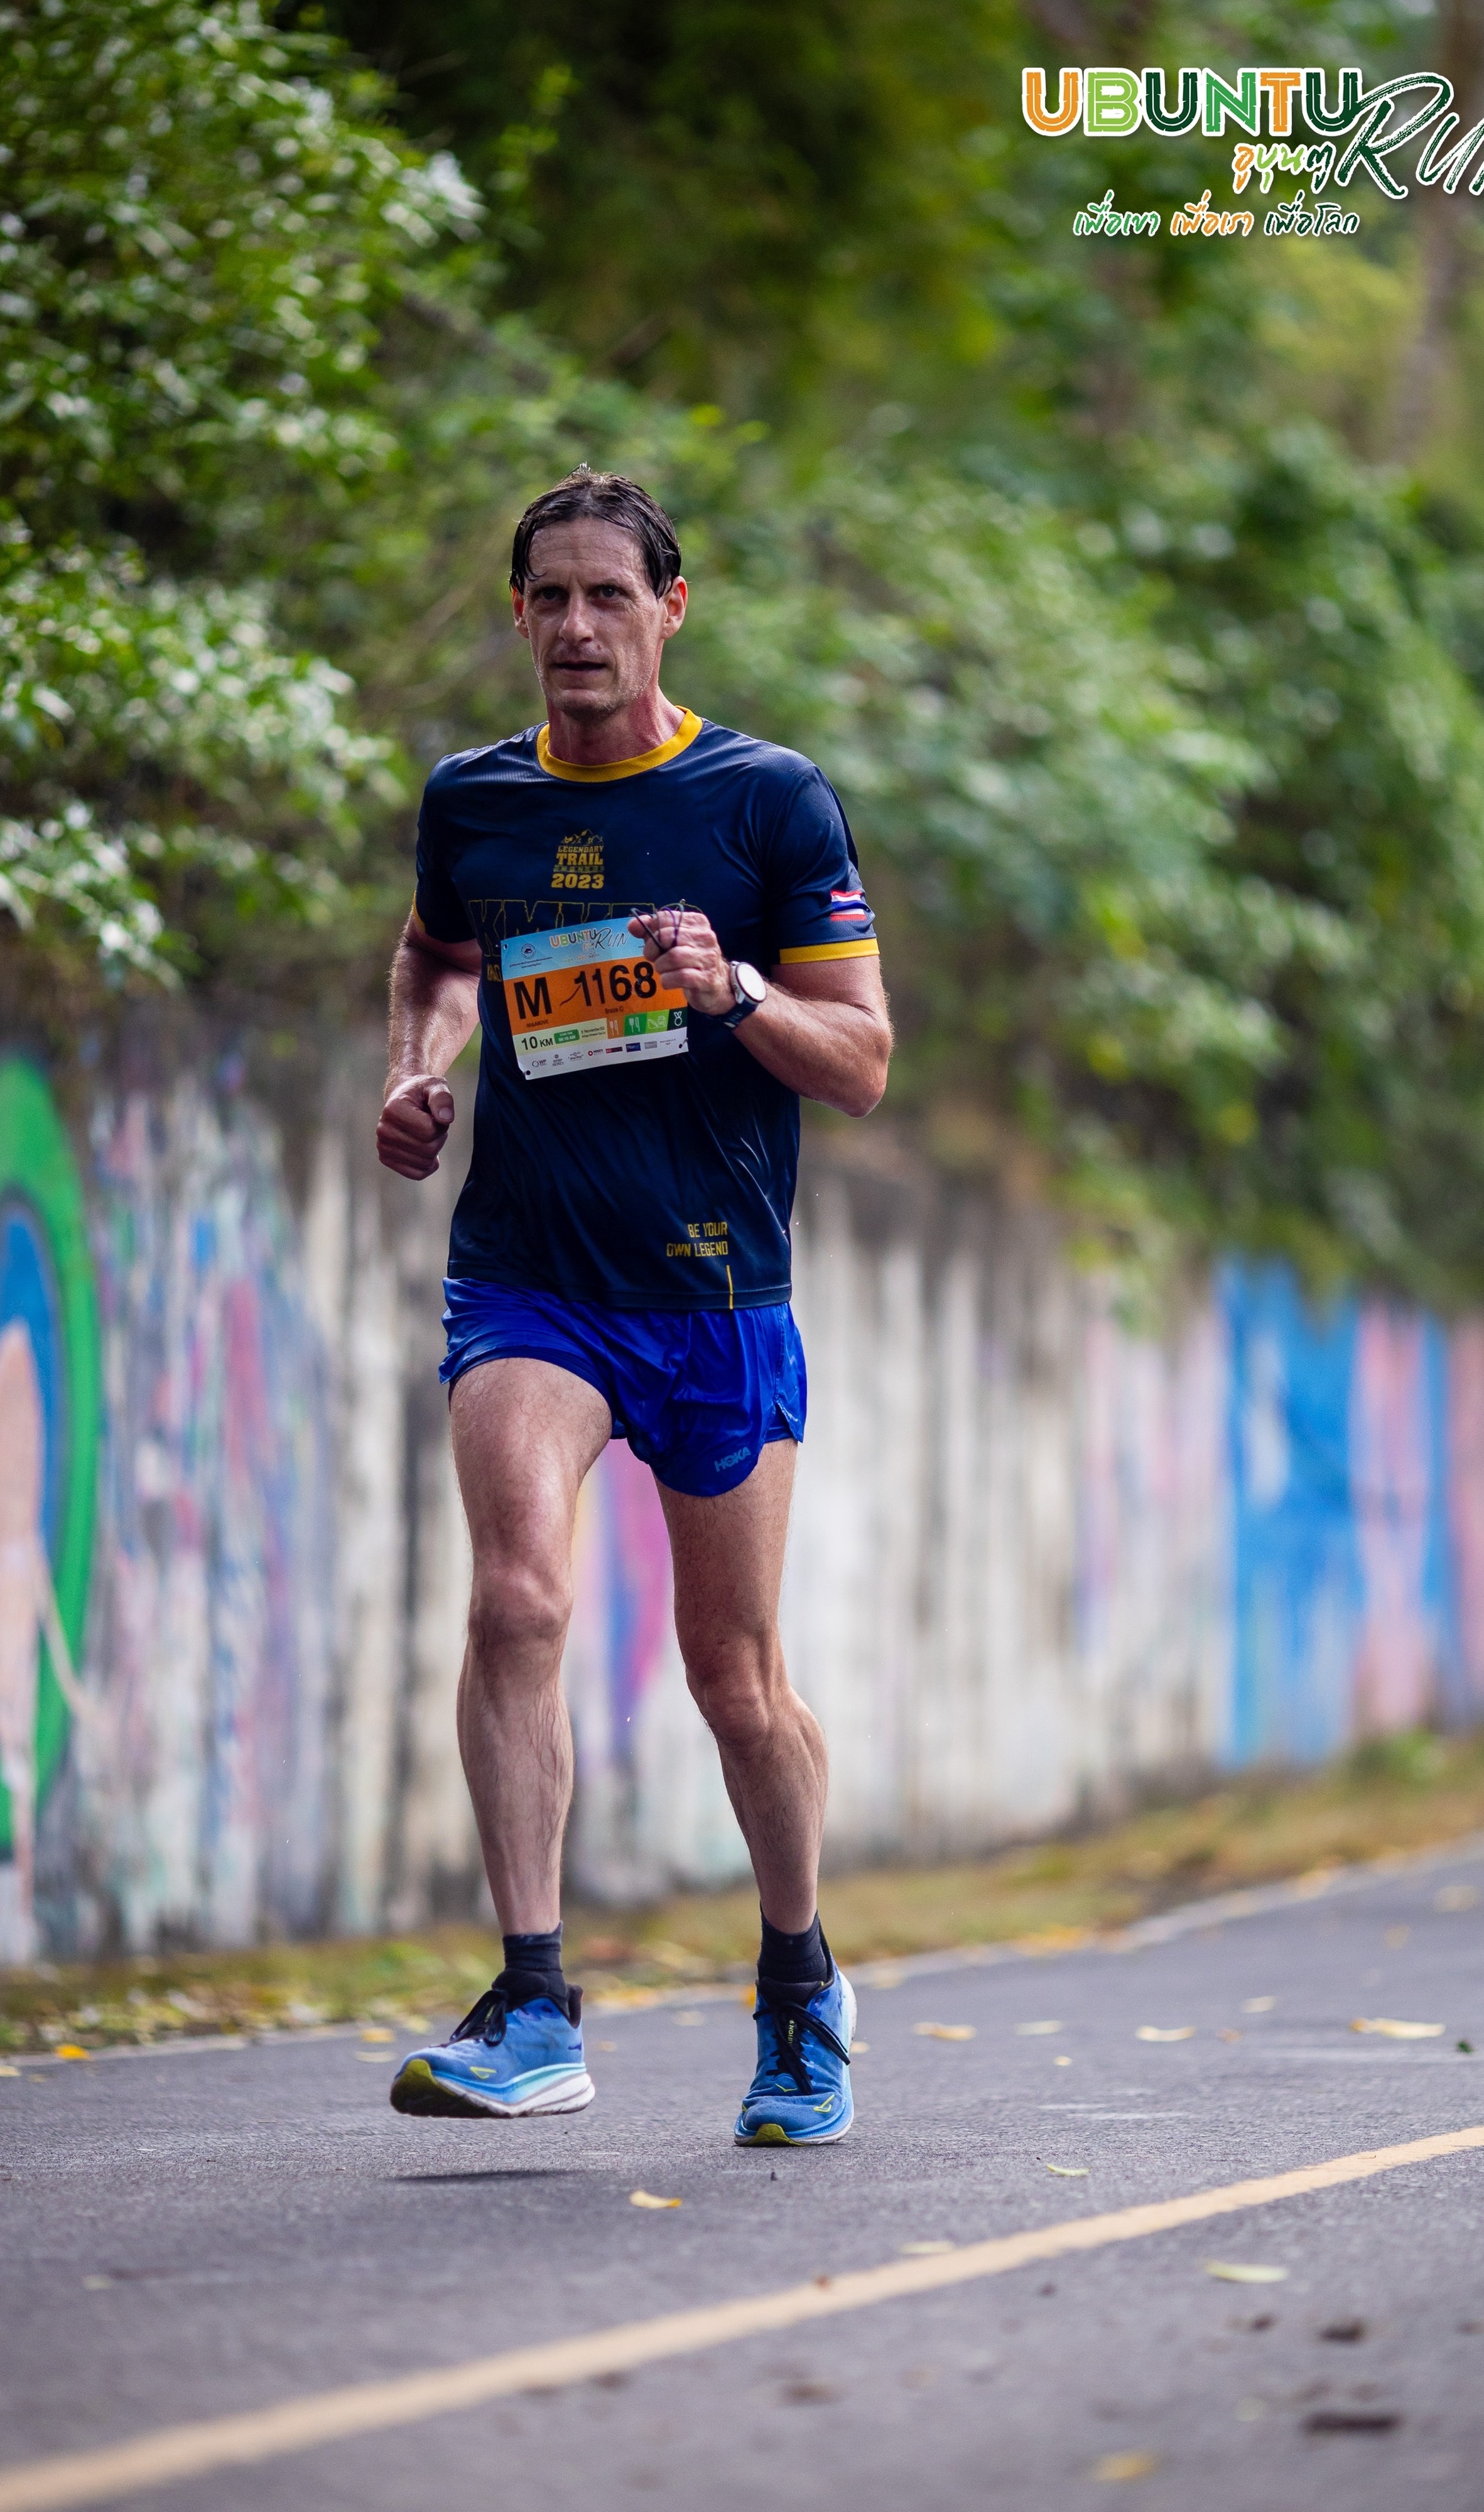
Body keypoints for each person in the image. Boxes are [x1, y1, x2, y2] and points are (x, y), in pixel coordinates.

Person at [376, 466, 891, 2145]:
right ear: (519, 614)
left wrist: (729, 988)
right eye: (550, 597)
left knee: (733, 1680)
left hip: (715, 1292)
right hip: (530, 1280)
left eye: (610, 594)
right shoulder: (473, 799)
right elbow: (438, 951)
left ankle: (798, 1985)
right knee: (517, 1602)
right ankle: (533, 2003)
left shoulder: (768, 801)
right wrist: (417, 1069)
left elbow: (861, 1063)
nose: (577, 626)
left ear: (671, 608)